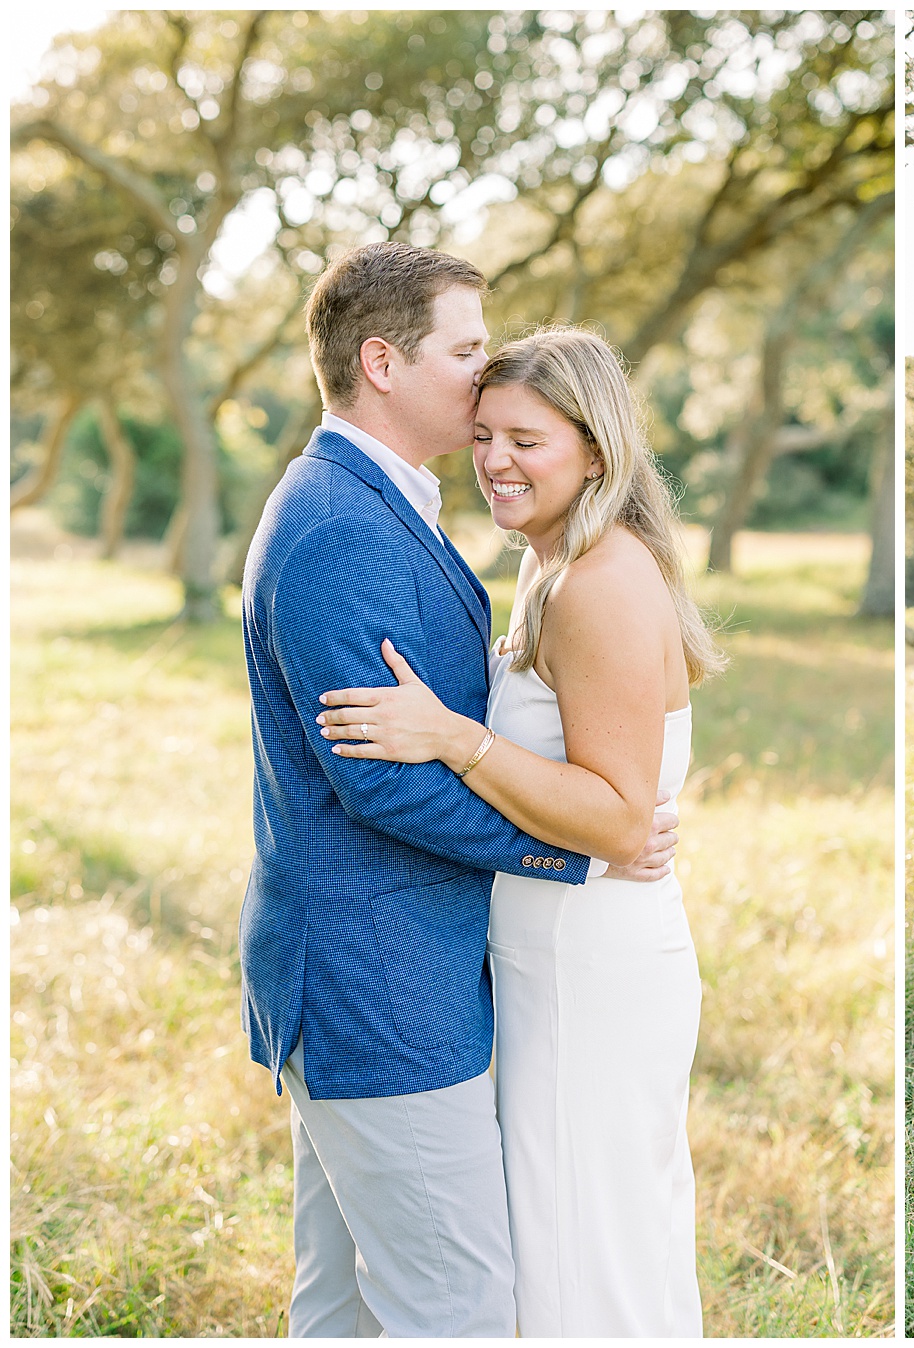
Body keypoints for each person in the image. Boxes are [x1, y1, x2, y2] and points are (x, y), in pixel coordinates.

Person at [238, 242, 676, 1338]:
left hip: (411, 970)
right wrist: (578, 849)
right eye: (467, 353)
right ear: (382, 363)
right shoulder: (341, 525)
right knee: (458, 1307)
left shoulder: (396, 504)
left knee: (345, 1300)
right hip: (379, 981)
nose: (484, 378)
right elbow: (381, 785)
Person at [316, 326, 726, 1335]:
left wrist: (456, 739)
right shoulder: (555, 567)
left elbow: (623, 821)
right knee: (576, 1241)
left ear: (596, 449)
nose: (496, 460)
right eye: (485, 433)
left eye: (527, 440)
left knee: (591, 1255)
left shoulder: (599, 583)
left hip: (591, 969)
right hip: (552, 958)